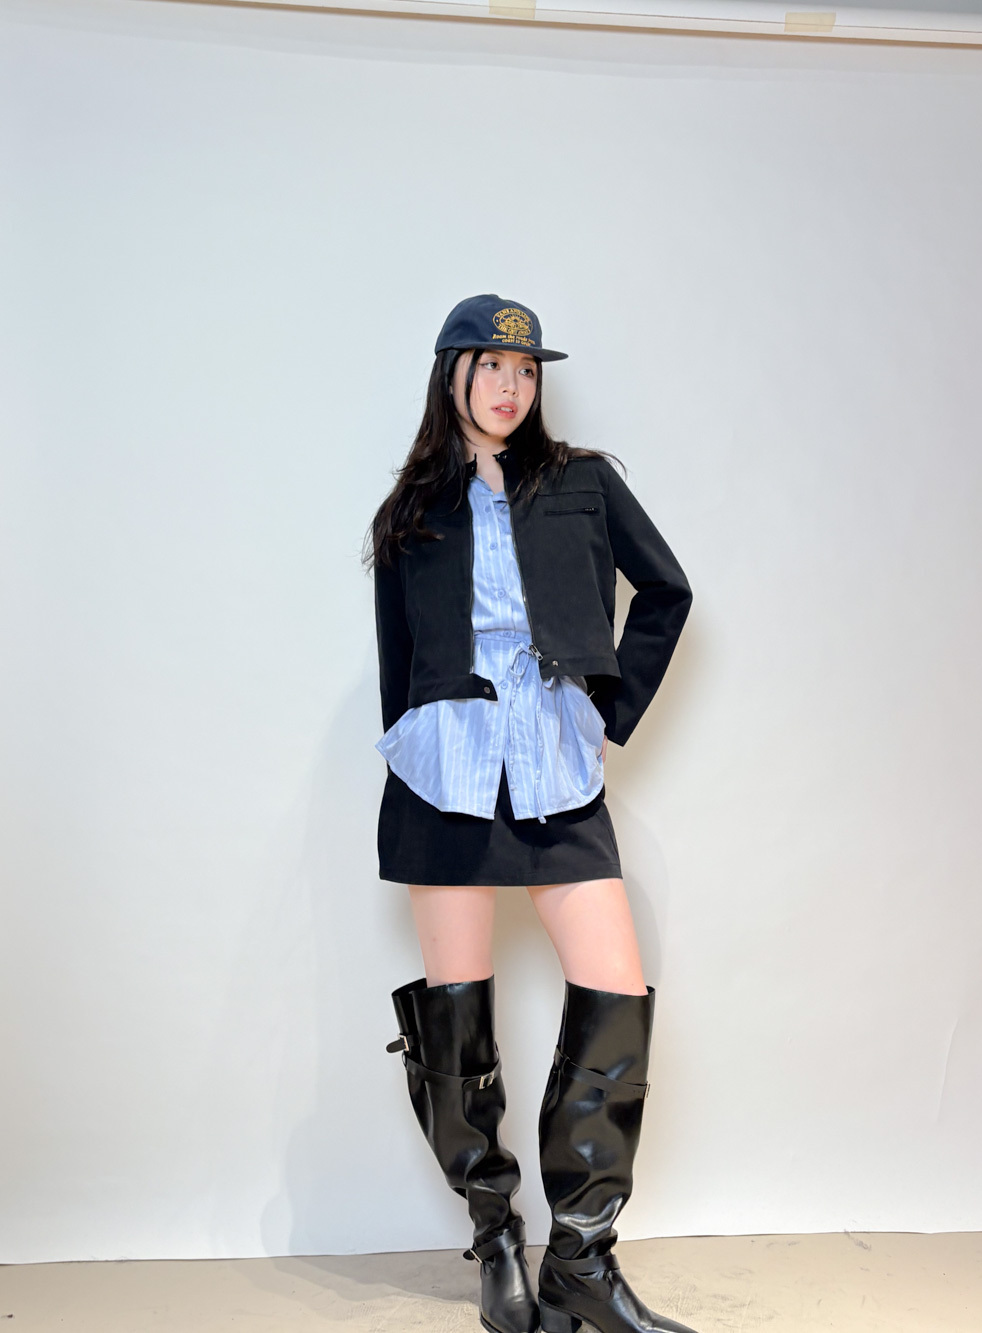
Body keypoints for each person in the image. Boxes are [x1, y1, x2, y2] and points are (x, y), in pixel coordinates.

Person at [362, 294, 698, 1333]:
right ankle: (498, 1239)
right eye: (492, 366)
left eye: (527, 370)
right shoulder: (411, 509)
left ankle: (583, 1262)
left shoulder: (582, 483)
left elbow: (667, 591)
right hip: (446, 775)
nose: (511, 387)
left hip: (554, 768)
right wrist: (413, 749)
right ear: (451, 373)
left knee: (616, 990)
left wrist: (609, 711)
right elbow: (400, 669)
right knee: (453, 1018)